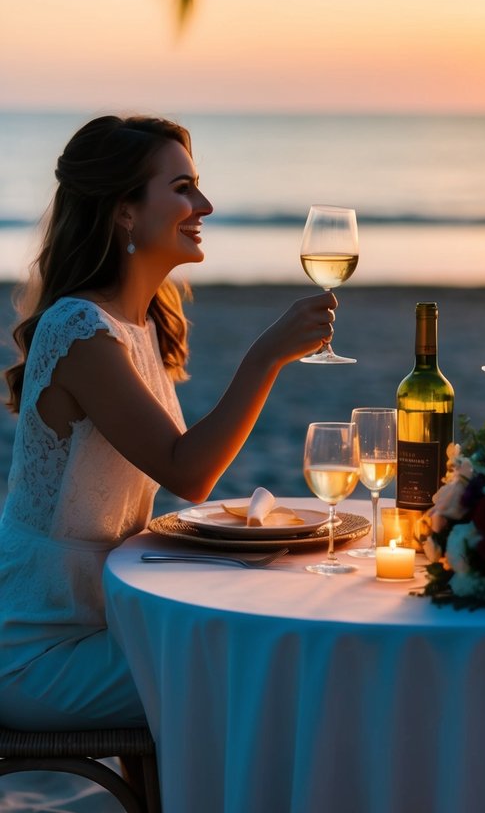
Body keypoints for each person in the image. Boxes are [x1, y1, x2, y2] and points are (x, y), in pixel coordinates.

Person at [0, 115, 337, 731]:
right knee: (264, 669)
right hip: (40, 650)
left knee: (281, 633)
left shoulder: (142, 323)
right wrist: (266, 356)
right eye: (182, 187)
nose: (203, 204)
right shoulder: (80, 331)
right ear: (125, 212)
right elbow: (191, 472)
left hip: (112, 617)